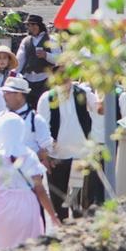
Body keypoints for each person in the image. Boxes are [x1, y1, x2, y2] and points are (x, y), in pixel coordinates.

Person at [0, 113, 59, 251]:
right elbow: (40, 189)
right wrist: (52, 215)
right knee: (31, 248)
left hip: (2, 203)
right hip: (27, 203)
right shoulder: (29, 154)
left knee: (7, 250)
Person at [38, 77, 106, 220]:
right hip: (56, 156)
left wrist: (102, 91)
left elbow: (100, 110)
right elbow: (41, 126)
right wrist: (46, 151)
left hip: (79, 156)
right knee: (58, 200)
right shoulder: (47, 98)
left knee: (76, 200)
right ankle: (62, 232)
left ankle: (76, 231)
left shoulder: (84, 93)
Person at [15, 15, 55, 107]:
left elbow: (59, 59)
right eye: (28, 25)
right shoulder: (26, 41)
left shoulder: (51, 40)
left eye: (33, 25)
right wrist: (14, 74)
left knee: (45, 106)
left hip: (46, 80)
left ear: (40, 26)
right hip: (29, 80)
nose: (31, 27)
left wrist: (46, 55)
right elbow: (19, 60)